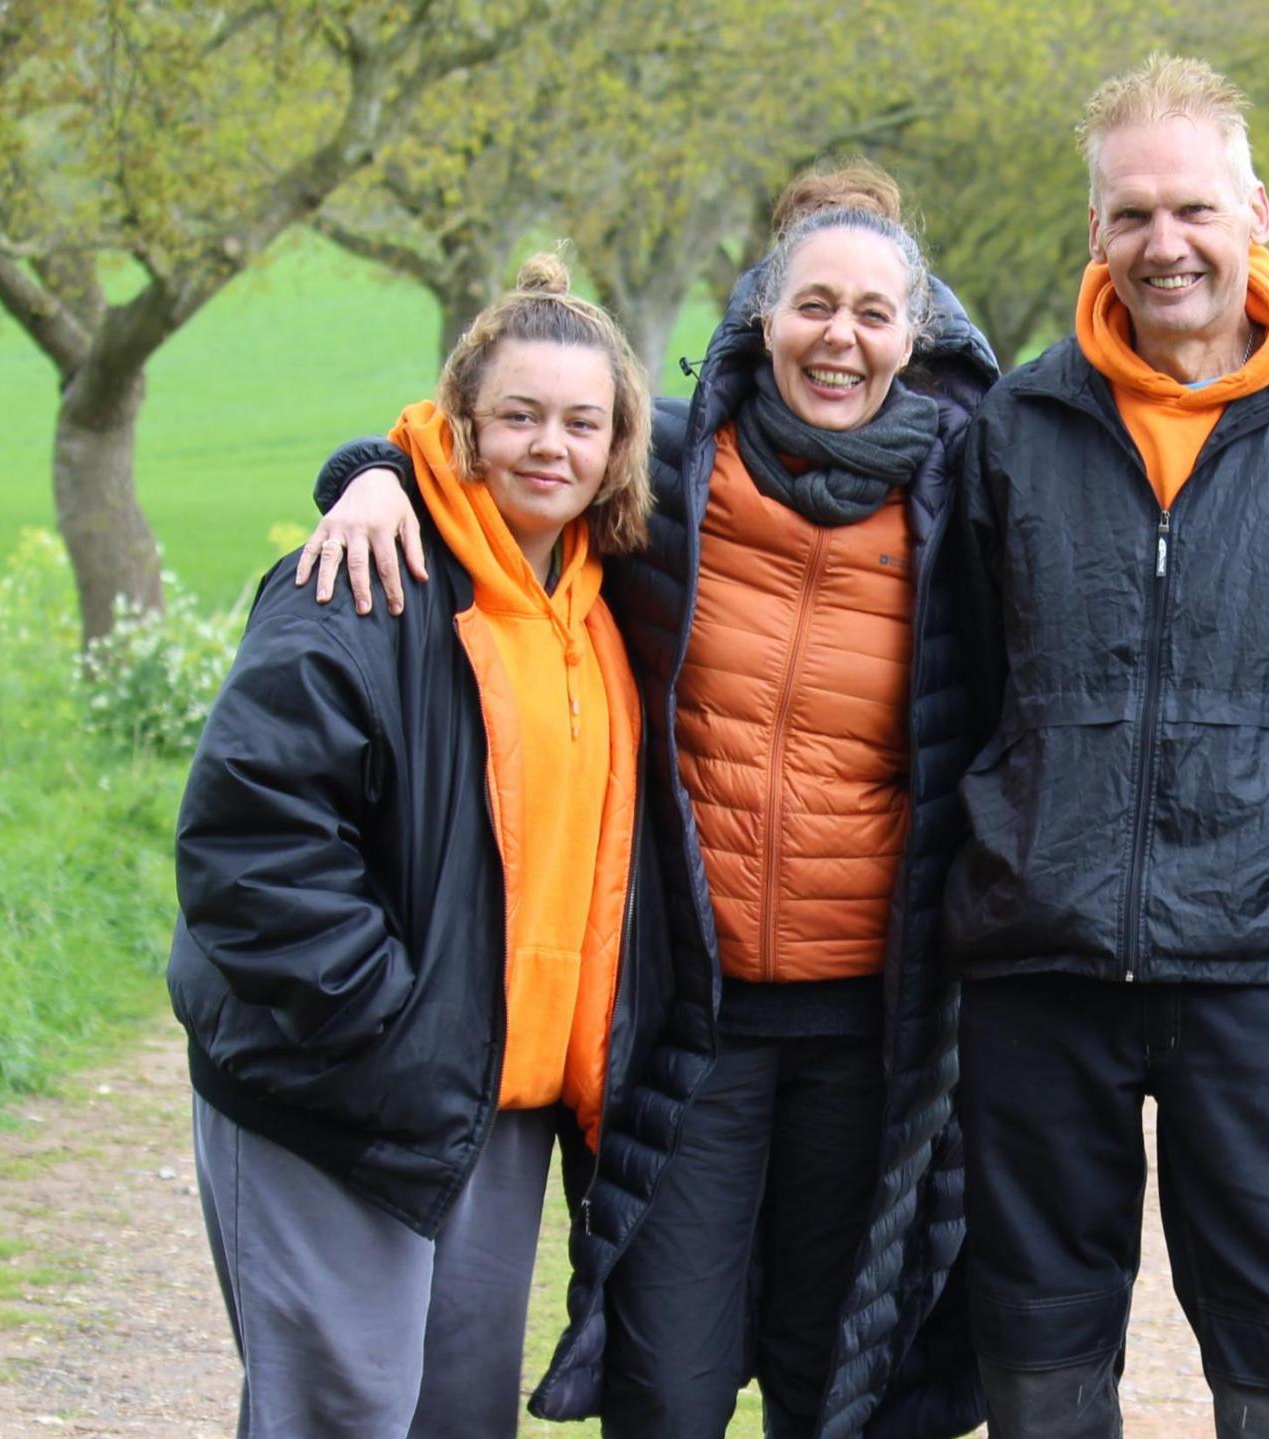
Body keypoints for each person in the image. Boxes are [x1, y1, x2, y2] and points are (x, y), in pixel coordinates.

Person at [300, 164, 998, 1439]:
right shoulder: (668, 477)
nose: (839, 338)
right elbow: (512, 454)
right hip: (695, 1015)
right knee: (665, 1382)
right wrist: (371, 473)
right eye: (814, 306)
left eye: (873, 315)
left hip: (876, 1025)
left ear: (916, 333)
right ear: (761, 316)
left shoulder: (975, 494)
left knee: (831, 1378)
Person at [938, 55, 1269, 1438]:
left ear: (1255, 212)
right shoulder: (1014, 429)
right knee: (1035, 1360)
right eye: (1132, 214)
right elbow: (980, 674)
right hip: (1041, 952)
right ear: (1094, 230)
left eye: (1194, 209)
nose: (1166, 245)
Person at [171, 254, 656, 1437]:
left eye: (581, 422)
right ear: (463, 429)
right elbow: (249, 836)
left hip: (500, 1105)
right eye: (520, 416)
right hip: (341, 1081)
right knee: (342, 1415)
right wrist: (382, 1023)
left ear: (618, 446)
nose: (551, 444)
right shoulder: (360, 580)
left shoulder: (604, 607)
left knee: (452, 1419)